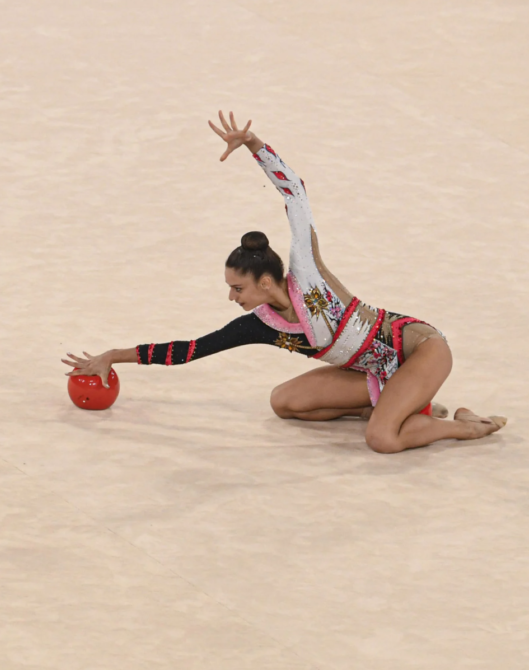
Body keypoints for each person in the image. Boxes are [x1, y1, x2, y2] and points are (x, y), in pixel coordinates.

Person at [63, 111, 506, 454]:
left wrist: (255, 145)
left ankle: (464, 425)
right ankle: (405, 404)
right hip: (373, 369)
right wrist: (113, 355)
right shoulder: (260, 323)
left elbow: (295, 192)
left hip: (417, 349)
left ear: (268, 281)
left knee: (383, 440)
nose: (231, 297)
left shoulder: (307, 275)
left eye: (238, 288)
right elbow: (191, 349)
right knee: (284, 402)